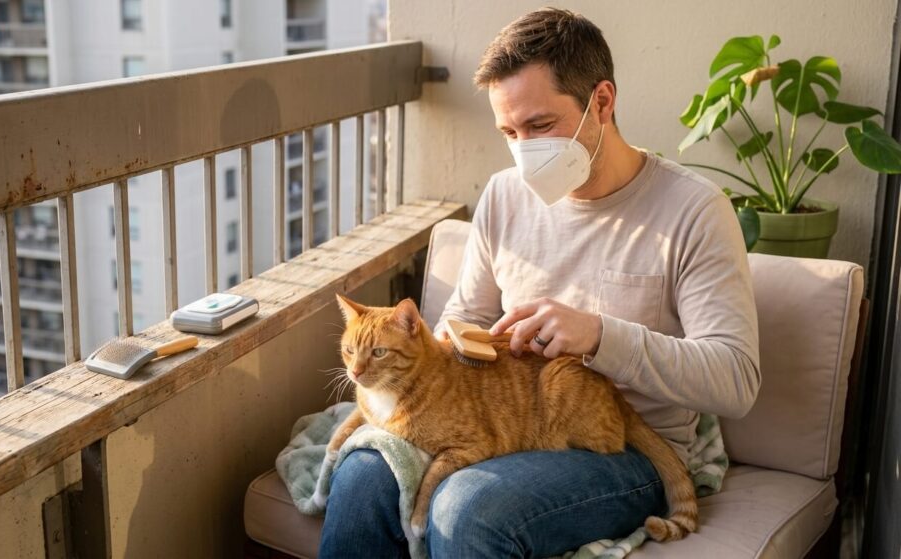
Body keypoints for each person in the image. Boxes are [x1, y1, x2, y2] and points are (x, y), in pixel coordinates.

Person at [319, 8, 760, 558]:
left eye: (541, 126)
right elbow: (464, 321)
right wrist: (454, 344)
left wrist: (600, 336)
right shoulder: (504, 196)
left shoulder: (695, 211)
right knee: (361, 476)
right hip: (505, 416)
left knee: (467, 508)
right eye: (509, 131)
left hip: (624, 449)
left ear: (602, 101)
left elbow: (737, 381)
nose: (524, 150)